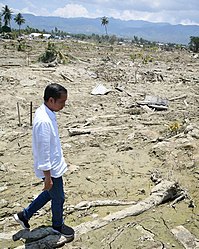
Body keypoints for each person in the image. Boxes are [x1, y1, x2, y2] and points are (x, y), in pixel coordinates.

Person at [14, 83, 74, 238]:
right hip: (50, 169)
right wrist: (47, 176)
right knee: (59, 197)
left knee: (50, 193)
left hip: (53, 166)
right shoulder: (43, 121)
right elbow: (43, 151)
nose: (64, 105)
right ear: (51, 100)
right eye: (62, 102)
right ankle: (57, 226)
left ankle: (24, 215)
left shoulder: (46, 112)